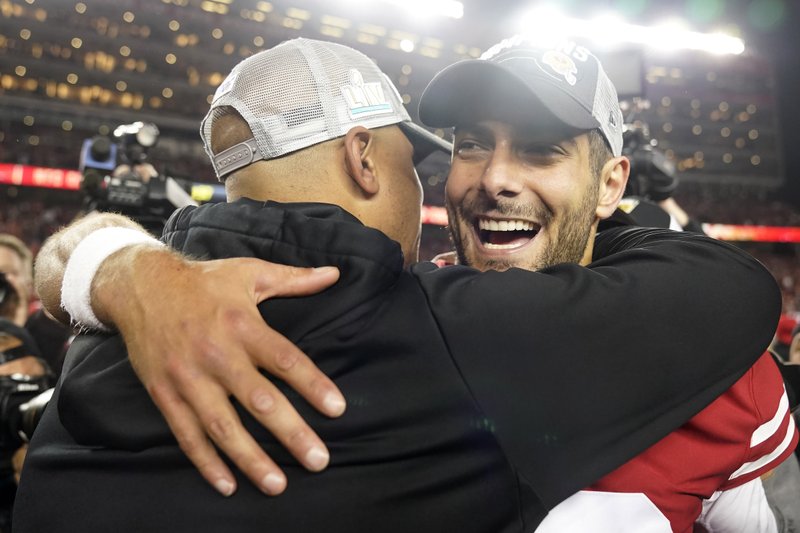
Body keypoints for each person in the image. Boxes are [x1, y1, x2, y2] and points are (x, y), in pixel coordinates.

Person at [14, 38, 782, 532]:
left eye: (543, 151)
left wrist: (111, 265)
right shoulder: (425, 320)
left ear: (613, 181)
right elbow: (738, 289)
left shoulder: (114, 326)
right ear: (363, 159)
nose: (492, 178)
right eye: (467, 147)